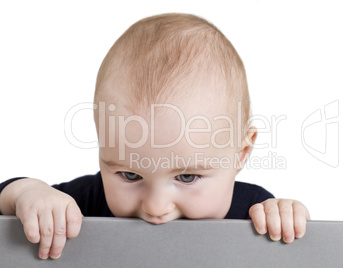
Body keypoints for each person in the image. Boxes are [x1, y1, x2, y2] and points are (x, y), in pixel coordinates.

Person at [0, 13, 310, 260]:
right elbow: (7, 201)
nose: (156, 207)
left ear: (240, 153)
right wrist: (30, 194)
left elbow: (301, 249)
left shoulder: (253, 210)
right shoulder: (88, 202)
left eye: (187, 177)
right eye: (131, 174)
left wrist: (287, 218)